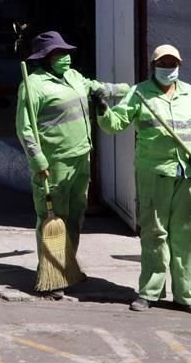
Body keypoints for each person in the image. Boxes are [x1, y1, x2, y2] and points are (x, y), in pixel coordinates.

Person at [96, 44, 191, 316]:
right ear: (153, 66)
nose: (168, 68)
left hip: (189, 174)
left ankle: (185, 295)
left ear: (179, 66)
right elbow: (115, 125)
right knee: (154, 233)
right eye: (163, 63)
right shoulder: (139, 94)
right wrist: (103, 110)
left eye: (173, 64)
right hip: (154, 173)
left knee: (187, 234)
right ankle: (150, 292)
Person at [16, 31, 129, 298]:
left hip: (81, 158)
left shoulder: (74, 77)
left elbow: (95, 87)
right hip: (53, 163)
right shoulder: (32, 86)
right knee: (52, 219)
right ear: (45, 59)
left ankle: (68, 267)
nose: (65, 58)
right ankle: (52, 275)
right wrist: (37, 158)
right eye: (59, 54)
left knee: (76, 217)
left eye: (66, 53)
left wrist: (123, 90)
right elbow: (25, 128)